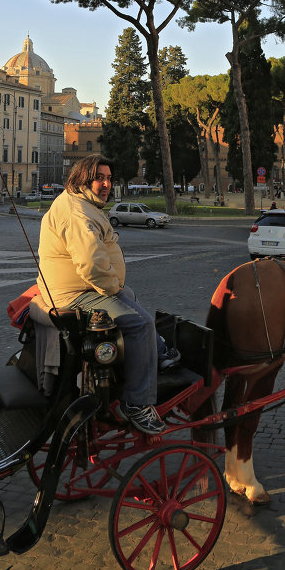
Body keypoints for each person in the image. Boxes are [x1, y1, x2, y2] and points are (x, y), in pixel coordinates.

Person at [36, 154, 180, 435]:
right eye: (99, 178)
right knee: (140, 324)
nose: (106, 184)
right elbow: (91, 265)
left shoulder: (77, 202)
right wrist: (114, 288)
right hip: (74, 294)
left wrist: (117, 287)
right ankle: (137, 404)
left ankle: (157, 350)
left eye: (109, 178)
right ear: (82, 178)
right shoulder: (78, 213)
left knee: (132, 298)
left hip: (70, 288)